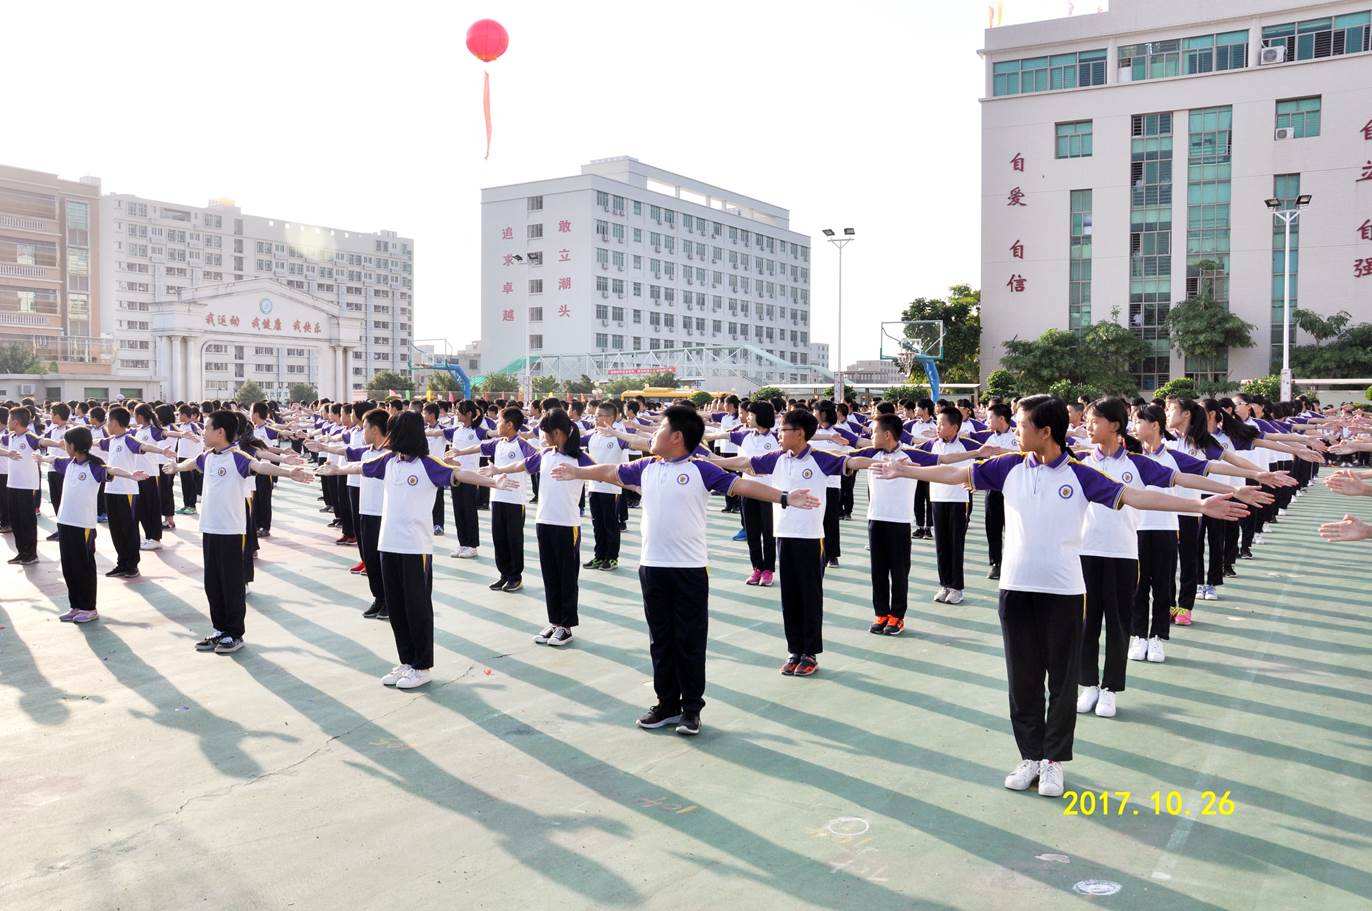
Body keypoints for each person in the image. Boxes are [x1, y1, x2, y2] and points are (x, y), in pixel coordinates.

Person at [872, 395, 1247, 798]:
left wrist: (1199, 506)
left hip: (1064, 592)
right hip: (1015, 590)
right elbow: (956, 474)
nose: (1016, 431)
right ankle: (1029, 756)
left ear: (1045, 431)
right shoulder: (1008, 467)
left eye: (1021, 424)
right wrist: (905, 471)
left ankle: (1053, 762)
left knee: (1063, 681)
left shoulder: (1080, 475)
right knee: (1023, 680)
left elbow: (1138, 497)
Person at [550, 404, 821, 735]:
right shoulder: (647, 466)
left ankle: (691, 708)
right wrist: (577, 472)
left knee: (690, 640)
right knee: (660, 640)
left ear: (677, 437)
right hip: (652, 567)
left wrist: (784, 497)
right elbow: (609, 472)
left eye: (660, 429)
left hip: (689, 569)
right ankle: (666, 704)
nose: (654, 435)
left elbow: (742, 486)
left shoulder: (701, 470)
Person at [321, 410, 511, 687]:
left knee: (417, 607)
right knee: (397, 607)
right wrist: (337, 469)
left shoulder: (427, 464)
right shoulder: (389, 461)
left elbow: (460, 474)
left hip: (415, 548)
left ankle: (421, 666)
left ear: (402, 434)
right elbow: (362, 468)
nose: (387, 436)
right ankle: (406, 661)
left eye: (391, 430)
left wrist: (493, 481)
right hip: (388, 545)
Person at [162, 410, 316, 654]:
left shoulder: (237, 456)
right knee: (213, 583)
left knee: (232, 583)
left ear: (220, 432)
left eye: (207, 428)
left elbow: (261, 465)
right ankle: (219, 629)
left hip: (231, 531)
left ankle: (234, 633)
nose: (203, 433)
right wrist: (176, 467)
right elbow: (193, 463)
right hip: (209, 528)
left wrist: (288, 473)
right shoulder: (209, 456)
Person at [712, 408, 847, 675]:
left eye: (783, 430)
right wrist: (709, 459)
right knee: (790, 597)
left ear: (799, 433)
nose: (779, 434)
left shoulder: (820, 459)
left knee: (809, 596)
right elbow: (744, 463)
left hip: (810, 538)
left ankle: (810, 653)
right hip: (783, 536)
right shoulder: (777, 458)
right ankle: (794, 650)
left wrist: (883, 462)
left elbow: (850, 462)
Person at [482, 408, 593, 645]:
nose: (540, 437)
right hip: (544, 522)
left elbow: (602, 471)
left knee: (566, 577)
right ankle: (554, 622)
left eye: (544, 433)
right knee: (550, 575)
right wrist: (497, 470)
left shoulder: (578, 457)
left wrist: (633, 485)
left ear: (557, 433)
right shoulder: (545, 454)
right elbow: (521, 465)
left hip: (567, 525)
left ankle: (566, 626)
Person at [34, 426, 147, 622]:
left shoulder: (94, 467)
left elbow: (111, 470)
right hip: (64, 522)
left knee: (83, 566)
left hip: (83, 525)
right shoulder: (68, 464)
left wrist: (130, 475)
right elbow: (53, 460)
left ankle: (89, 608)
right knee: (69, 566)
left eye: (66, 443)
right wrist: (41, 459)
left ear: (73, 445)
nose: (64, 446)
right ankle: (75, 606)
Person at [447, 406, 536, 592]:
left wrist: (501, 470)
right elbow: (479, 447)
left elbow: (533, 461)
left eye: (500, 421)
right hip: (497, 497)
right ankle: (504, 574)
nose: (497, 424)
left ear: (510, 425)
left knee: (514, 539)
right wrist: (459, 452)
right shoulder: (498, 442)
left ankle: (515, 576)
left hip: (515, 500)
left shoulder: (521, 444)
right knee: (499, 539)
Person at [584, 401, 631, 570]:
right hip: (594, 487)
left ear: (611, 418)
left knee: (611, 525)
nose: (596, 418)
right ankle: (599, 555)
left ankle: (612, 558)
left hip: (612, 488)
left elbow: (627, 460)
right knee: (597, 524)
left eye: (600, 415)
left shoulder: (619, 438)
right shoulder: (592, 435)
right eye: (595, 415)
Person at [0, 407, 43, 565]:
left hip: (27, 486)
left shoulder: (29, 437)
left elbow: (42, 441)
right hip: (12, 484)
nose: (7, 422)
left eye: (10, 419)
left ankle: (31, 554)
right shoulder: (10, 436)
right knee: (16, 520)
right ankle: (22, 552)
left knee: (27, 520)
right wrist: (7, 453)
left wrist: (58, 444)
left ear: (16, 422)